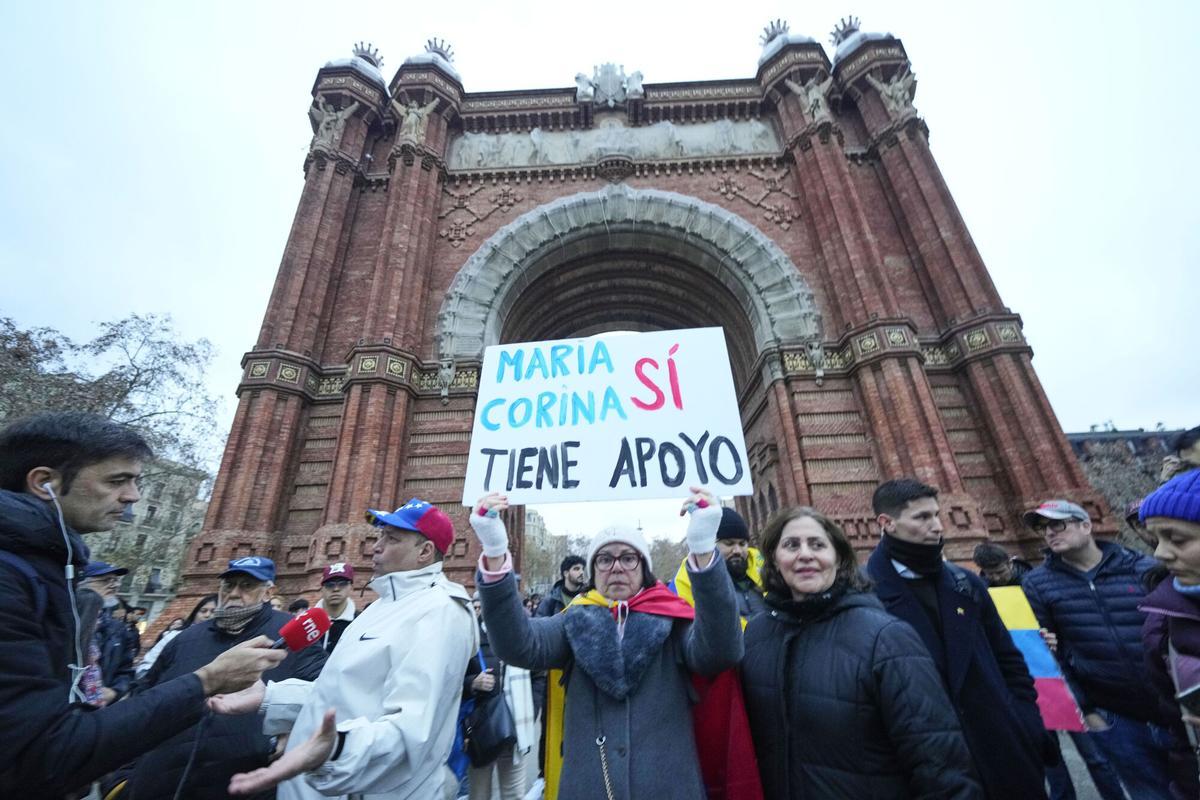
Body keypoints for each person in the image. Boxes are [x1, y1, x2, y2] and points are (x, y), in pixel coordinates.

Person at [0, 411, 287, 796]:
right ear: (44, 482)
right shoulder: (11, 575)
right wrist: (208, 681)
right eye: (117, 480)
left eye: (135, 481)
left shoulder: (44, 567)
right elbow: (42, 754)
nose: (133, 496)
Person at [470, 488, 746, 800]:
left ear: (644, 568)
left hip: (670, 787)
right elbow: (517, 644)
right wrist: (495, 551)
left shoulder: (674, 621)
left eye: (628, 558)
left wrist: (703, 549)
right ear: (592, 571)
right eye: (604, 559)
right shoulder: (573, 620)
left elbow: (723, 650)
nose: (616, 567)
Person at [224, 497, 478, 799]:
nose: (377, 545)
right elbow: (345, 694)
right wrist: (272, 697)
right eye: (380, 535)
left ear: (424, 552)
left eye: (391, 538)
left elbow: (409, 730)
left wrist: (333, 751)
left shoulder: (440, 612)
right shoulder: (380, 606)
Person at [742, 506, 979, 797]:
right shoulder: (756, 636)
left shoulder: (885, 638)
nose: (805, 554)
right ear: (775, 561)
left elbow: (939, 762)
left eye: (817, 544)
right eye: (791, 545)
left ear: (839, 558)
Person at [865, 478, 1049, 799]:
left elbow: (1009, 661)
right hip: (931, 767)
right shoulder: (865, 595)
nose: (937, 526)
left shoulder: (965, 583)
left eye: (937, 515)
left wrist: (1027, 725)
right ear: (887, 523)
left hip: (1003, 752)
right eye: (922, 518)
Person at [128, 558, 327, 799]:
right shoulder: (186, 638)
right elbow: (144, 701)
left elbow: (322, 695)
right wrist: (124, 775)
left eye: (246, 586)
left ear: (268, 592)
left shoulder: (292, 636)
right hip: (164, 781)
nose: (234, 593)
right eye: (228, 586)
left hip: (245, 782)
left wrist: (291, 730)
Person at [1021, 499, 1176, 800]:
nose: (1049, 533)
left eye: (1057, 524)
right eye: (1043, 528)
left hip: (1171, 706)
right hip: (1114, 715)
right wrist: (1088, 711)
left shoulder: (1143, 567)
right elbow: (1051, 655)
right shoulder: (1037, 584)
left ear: (1086, 525)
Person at [1138, 469, 1200, 800]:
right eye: (1156, 540)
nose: (1160, 554)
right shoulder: (1161, 619)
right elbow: (1178, 729)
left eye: (1177, 540)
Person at [463, 593, 536, 800]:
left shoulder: (521, 634)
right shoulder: (471, 636)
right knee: (479, 794)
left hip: (515, 728)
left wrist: (533, 709)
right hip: (482, 730)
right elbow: (452, 678)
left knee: (514, 794)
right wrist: (472, 683)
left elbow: (539, 676)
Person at [672, 506, 766, 624]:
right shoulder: (689, 579)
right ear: (711, 545)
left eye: (742, 544)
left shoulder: (766, 569)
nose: (737, 550)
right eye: (729, 544)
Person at [79, 560, 138, 703]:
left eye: (115, 581)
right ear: (82, 584)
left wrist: (115, 691)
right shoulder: (63, 620)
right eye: (105, 580)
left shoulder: (118, 628)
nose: (114, 585)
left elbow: (125, 670)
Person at [137, 595, 218, 678]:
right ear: (195, 614)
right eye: (203, 611)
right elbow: (148, 664)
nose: (207, 615)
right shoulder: (175, 635)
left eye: (213, 612)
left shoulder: (223, 642)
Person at [314, 562, 356, 655]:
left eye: (342, 584)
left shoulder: (360, 621)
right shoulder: (306, 621)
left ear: (351, 587)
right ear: (322, 588)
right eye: (330, 584)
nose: (336, 589)